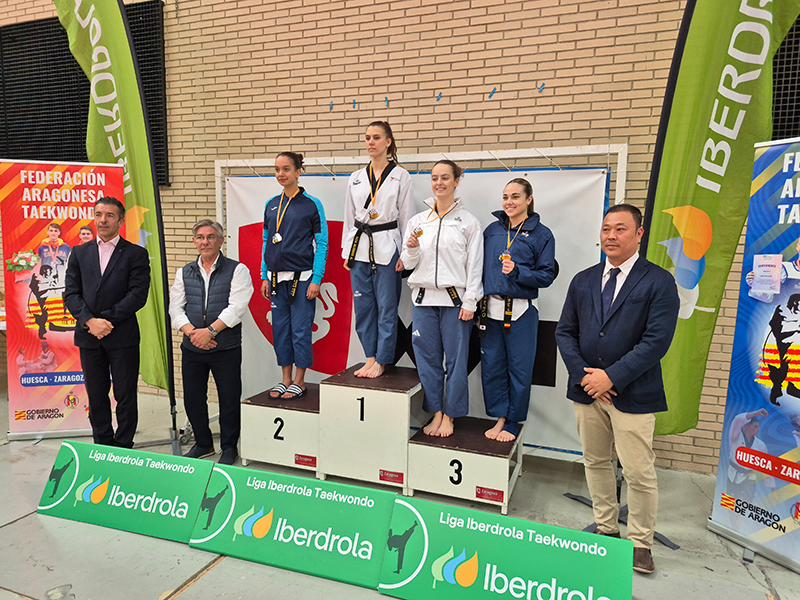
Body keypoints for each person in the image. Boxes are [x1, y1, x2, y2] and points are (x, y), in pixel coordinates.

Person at [555, 204, 679, 574]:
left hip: (634, 393)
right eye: (606, 228)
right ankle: (606, 528)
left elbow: (656, 342)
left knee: (638, 472)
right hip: (587, 390)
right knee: (595, 462)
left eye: (620, 229)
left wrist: (611, 377)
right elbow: (565, 332)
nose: (611, 235)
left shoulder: (658, 281)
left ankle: (640, 543)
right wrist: (586, 377)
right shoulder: (583, 280)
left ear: (639, 234)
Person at [400, 160, 483, 437]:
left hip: (455, 303)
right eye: (435, 178)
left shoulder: (469, 223)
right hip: (423, 301)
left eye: (445, 178)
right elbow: (407, 262)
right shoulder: (418, 221)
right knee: (427, 361)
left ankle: (450, 415)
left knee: (457, 363)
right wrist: (412, 249)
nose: (439, 183)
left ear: (457, 181)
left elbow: (475, 266)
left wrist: (470, 302)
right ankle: (436, 412)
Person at [64, 197, 150, 449]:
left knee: (125, 395)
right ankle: (102, 445)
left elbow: (137, 295)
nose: (103, 220)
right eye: (99, 214)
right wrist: (90, 321)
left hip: (122, 337)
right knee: (96, 395)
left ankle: (123, 447)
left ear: (121, 221)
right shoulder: (79, 253)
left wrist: (106, 321)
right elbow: (70, 293)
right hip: (88, 336)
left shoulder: (135, 254)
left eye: (110, 215)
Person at [169, 219, 254, 465]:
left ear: (221, 240)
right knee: (193, 398)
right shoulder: (184, 272)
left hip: (225, 347)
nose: (205, 241)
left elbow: (237, 307)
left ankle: (229, 447)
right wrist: (194, 334)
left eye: (210, 237)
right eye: (200, 237)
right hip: (192, 346)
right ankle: (203, 444)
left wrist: (210, 332)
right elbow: (175, 308)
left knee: (229, 398)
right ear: (194, 241)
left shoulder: (238, 270)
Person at [481, 178, 556, 442]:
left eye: (515, 196)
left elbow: (547, 275)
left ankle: (513, 421)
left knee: (520, 369)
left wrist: (518, 271)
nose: (509, 202)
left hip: (522, 311)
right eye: (505, 197)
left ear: (528, 199)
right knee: (492, 367)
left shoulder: (542, 234)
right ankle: (499, 417)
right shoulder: (492, 230)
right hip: (490, 310)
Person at [342, 120, 415, 378]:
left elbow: (407, 217)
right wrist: (347, 252)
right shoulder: (356, 178)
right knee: (363, 307)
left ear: (388, 142)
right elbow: (349, 217)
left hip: (387, 245)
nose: (370, 142)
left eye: (376, 137)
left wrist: (405, 255)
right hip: (359, 247)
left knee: (386, 307)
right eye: (367, 138)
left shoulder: (400, 176)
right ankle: (370, 357)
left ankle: (383, 359)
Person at [261, 152, 328, 399]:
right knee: (280, 330)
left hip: (302, 278)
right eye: (277, 169)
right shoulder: (271, 204)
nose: (281, 174)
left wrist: (316, 279)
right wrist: (264, 274)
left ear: (298, 172)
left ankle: (300, 380)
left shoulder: (312, 204)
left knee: (300, 330)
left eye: (286, 169)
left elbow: (322, 244)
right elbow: (266, 241)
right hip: (276, 279)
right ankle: (285, 379)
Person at [726, 409, 772, 503]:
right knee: (729, 503)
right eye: (755, 427)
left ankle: (744, 511)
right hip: (733, 475)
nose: (758, 430)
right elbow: (737, 419)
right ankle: (727, 513)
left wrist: (771, 488)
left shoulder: (760, 445)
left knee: (747, 503)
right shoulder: (735, 436)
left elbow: (766, 465)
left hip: (750, 477)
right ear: (747, 426)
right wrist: (757, 413)